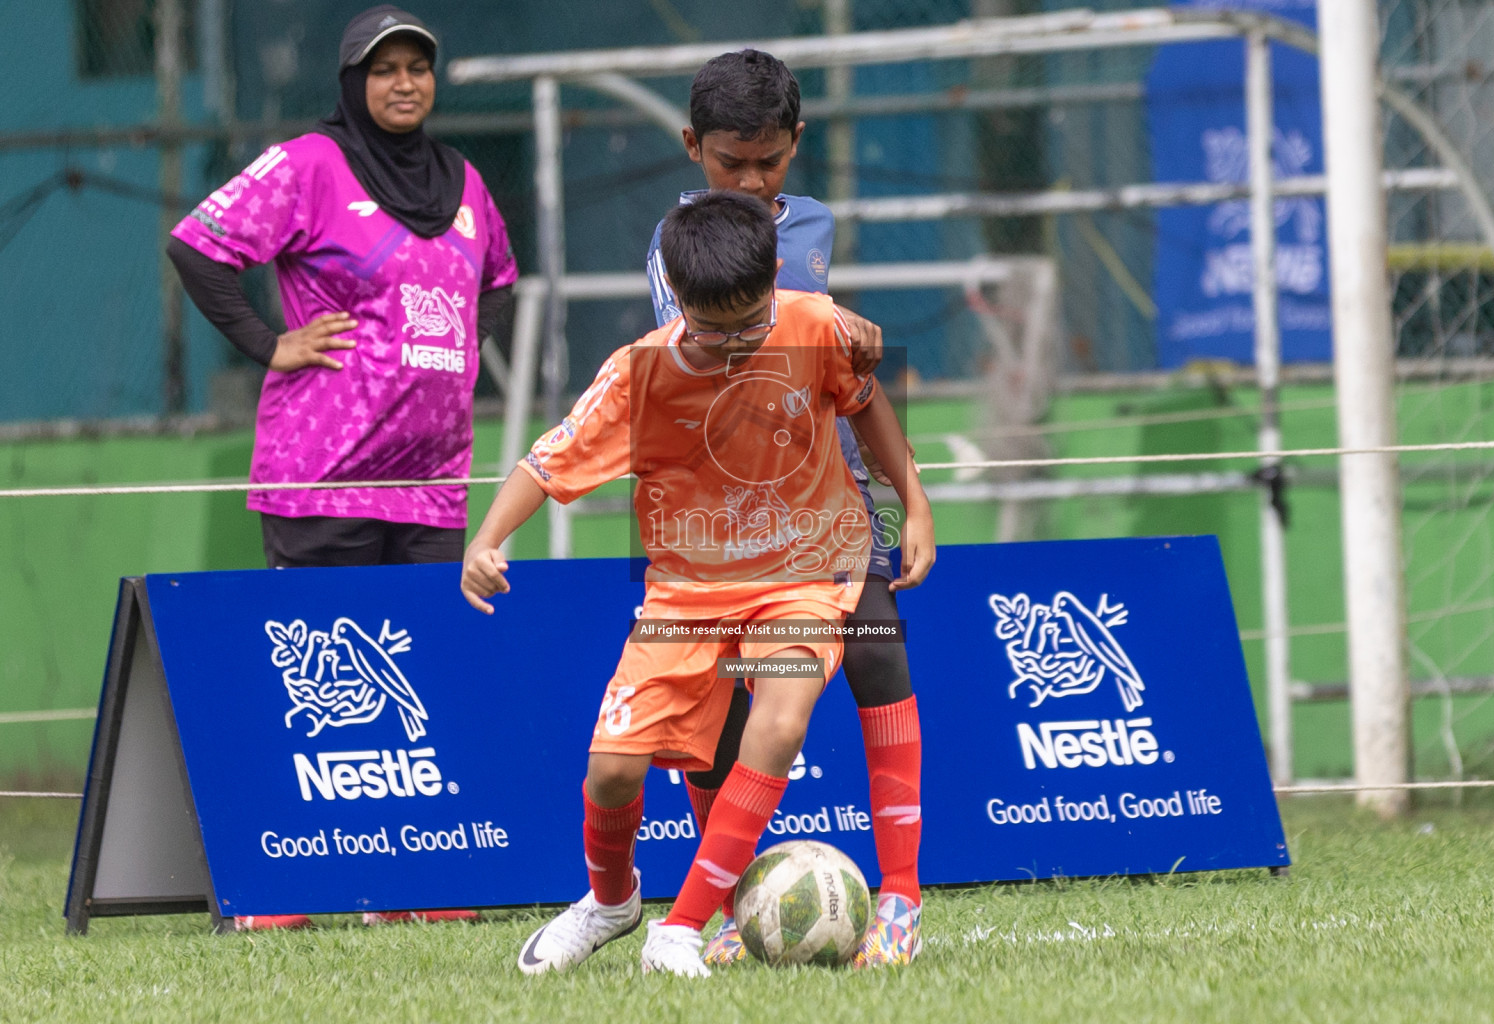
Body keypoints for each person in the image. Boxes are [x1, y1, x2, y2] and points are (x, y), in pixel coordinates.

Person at [461, 191, 935, 978]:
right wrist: (487, 537)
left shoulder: (817, 328)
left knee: (778, 725)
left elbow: (870, 404)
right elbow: (545, 463)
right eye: (714, 329)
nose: (734, 341)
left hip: (807, 573)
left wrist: (912, 501)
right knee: (612, 771)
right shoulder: (637, 375)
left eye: (750, 322)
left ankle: (679, 928)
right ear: (675, 298)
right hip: (686, 598)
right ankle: (613, 902)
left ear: (774, 281)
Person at [167, 5, 518, 930]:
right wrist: (264, 342)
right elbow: (197, 245)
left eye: (419, 68)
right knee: (319, 683)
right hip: (322, 469)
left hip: (434, 479)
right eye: (384, 69)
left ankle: (422, 882)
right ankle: (282, 886)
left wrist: (449, 369)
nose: (405, 83)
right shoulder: (307, 165)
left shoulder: (466, 181)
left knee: (429, 674)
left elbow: (496, 286)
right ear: (351, 83)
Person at [645, 48, 925, 967]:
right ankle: (719, 910)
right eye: (733, 162)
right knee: (723, 712)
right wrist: (826, 313)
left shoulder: (815, 224)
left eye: (771, 160)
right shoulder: (673, 248)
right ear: (694, 149)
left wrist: (908, 496)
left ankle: (903, 903)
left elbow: (846, 377)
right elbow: (711, 337)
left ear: (795, 145)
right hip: (723, 524)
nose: (755, 181)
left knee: (880, 664)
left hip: (833, 509)